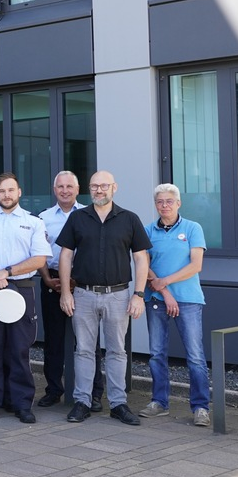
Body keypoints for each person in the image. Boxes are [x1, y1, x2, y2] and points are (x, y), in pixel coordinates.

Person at [57, 170, 152, 426]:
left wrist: (139, 295)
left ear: (115, 187)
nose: (99, 190)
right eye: (95, 186)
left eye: (104, 186)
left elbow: (141, 258)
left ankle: (118, 404)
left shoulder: (129, 219)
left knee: (117, 352)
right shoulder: (78, 218)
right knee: (84, 351)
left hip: (119, 296)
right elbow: (65, 255)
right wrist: (66, 292)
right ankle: (82, 401)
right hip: (84, 295)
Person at [0, 172, 50, 424]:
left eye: (10, 190)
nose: (6, 195)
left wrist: (8, 271)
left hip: (21, 288)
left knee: (19, 349)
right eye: (2, 191)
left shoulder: (33, 222)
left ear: (19, 192)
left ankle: (21, 403)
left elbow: (40, 259)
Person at [140, 184, 210, 427]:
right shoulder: (147, 230)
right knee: (157, 354)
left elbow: (196, 265)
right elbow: (143, 266)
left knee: (195, 356)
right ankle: (159, 402)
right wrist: (165, 292)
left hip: (189, 299)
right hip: (157, 300)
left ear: (179, 203)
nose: (165, 205)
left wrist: (165, 282)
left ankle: (201, 407)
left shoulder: (192, 228)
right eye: (160, 201)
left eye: (170, 201)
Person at [38, 171, 105, 410]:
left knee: (88, 341)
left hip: (83, 284)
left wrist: (76, 279)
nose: (65, 190)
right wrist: (47, 279)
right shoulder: (43, 217)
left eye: (69, 186)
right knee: (53, 340)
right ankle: (53, 389)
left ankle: (94, 392)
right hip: (51, 282)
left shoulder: (91, 214)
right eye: (60, 187)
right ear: (54, 189)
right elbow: (39, 252)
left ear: (78, 190)